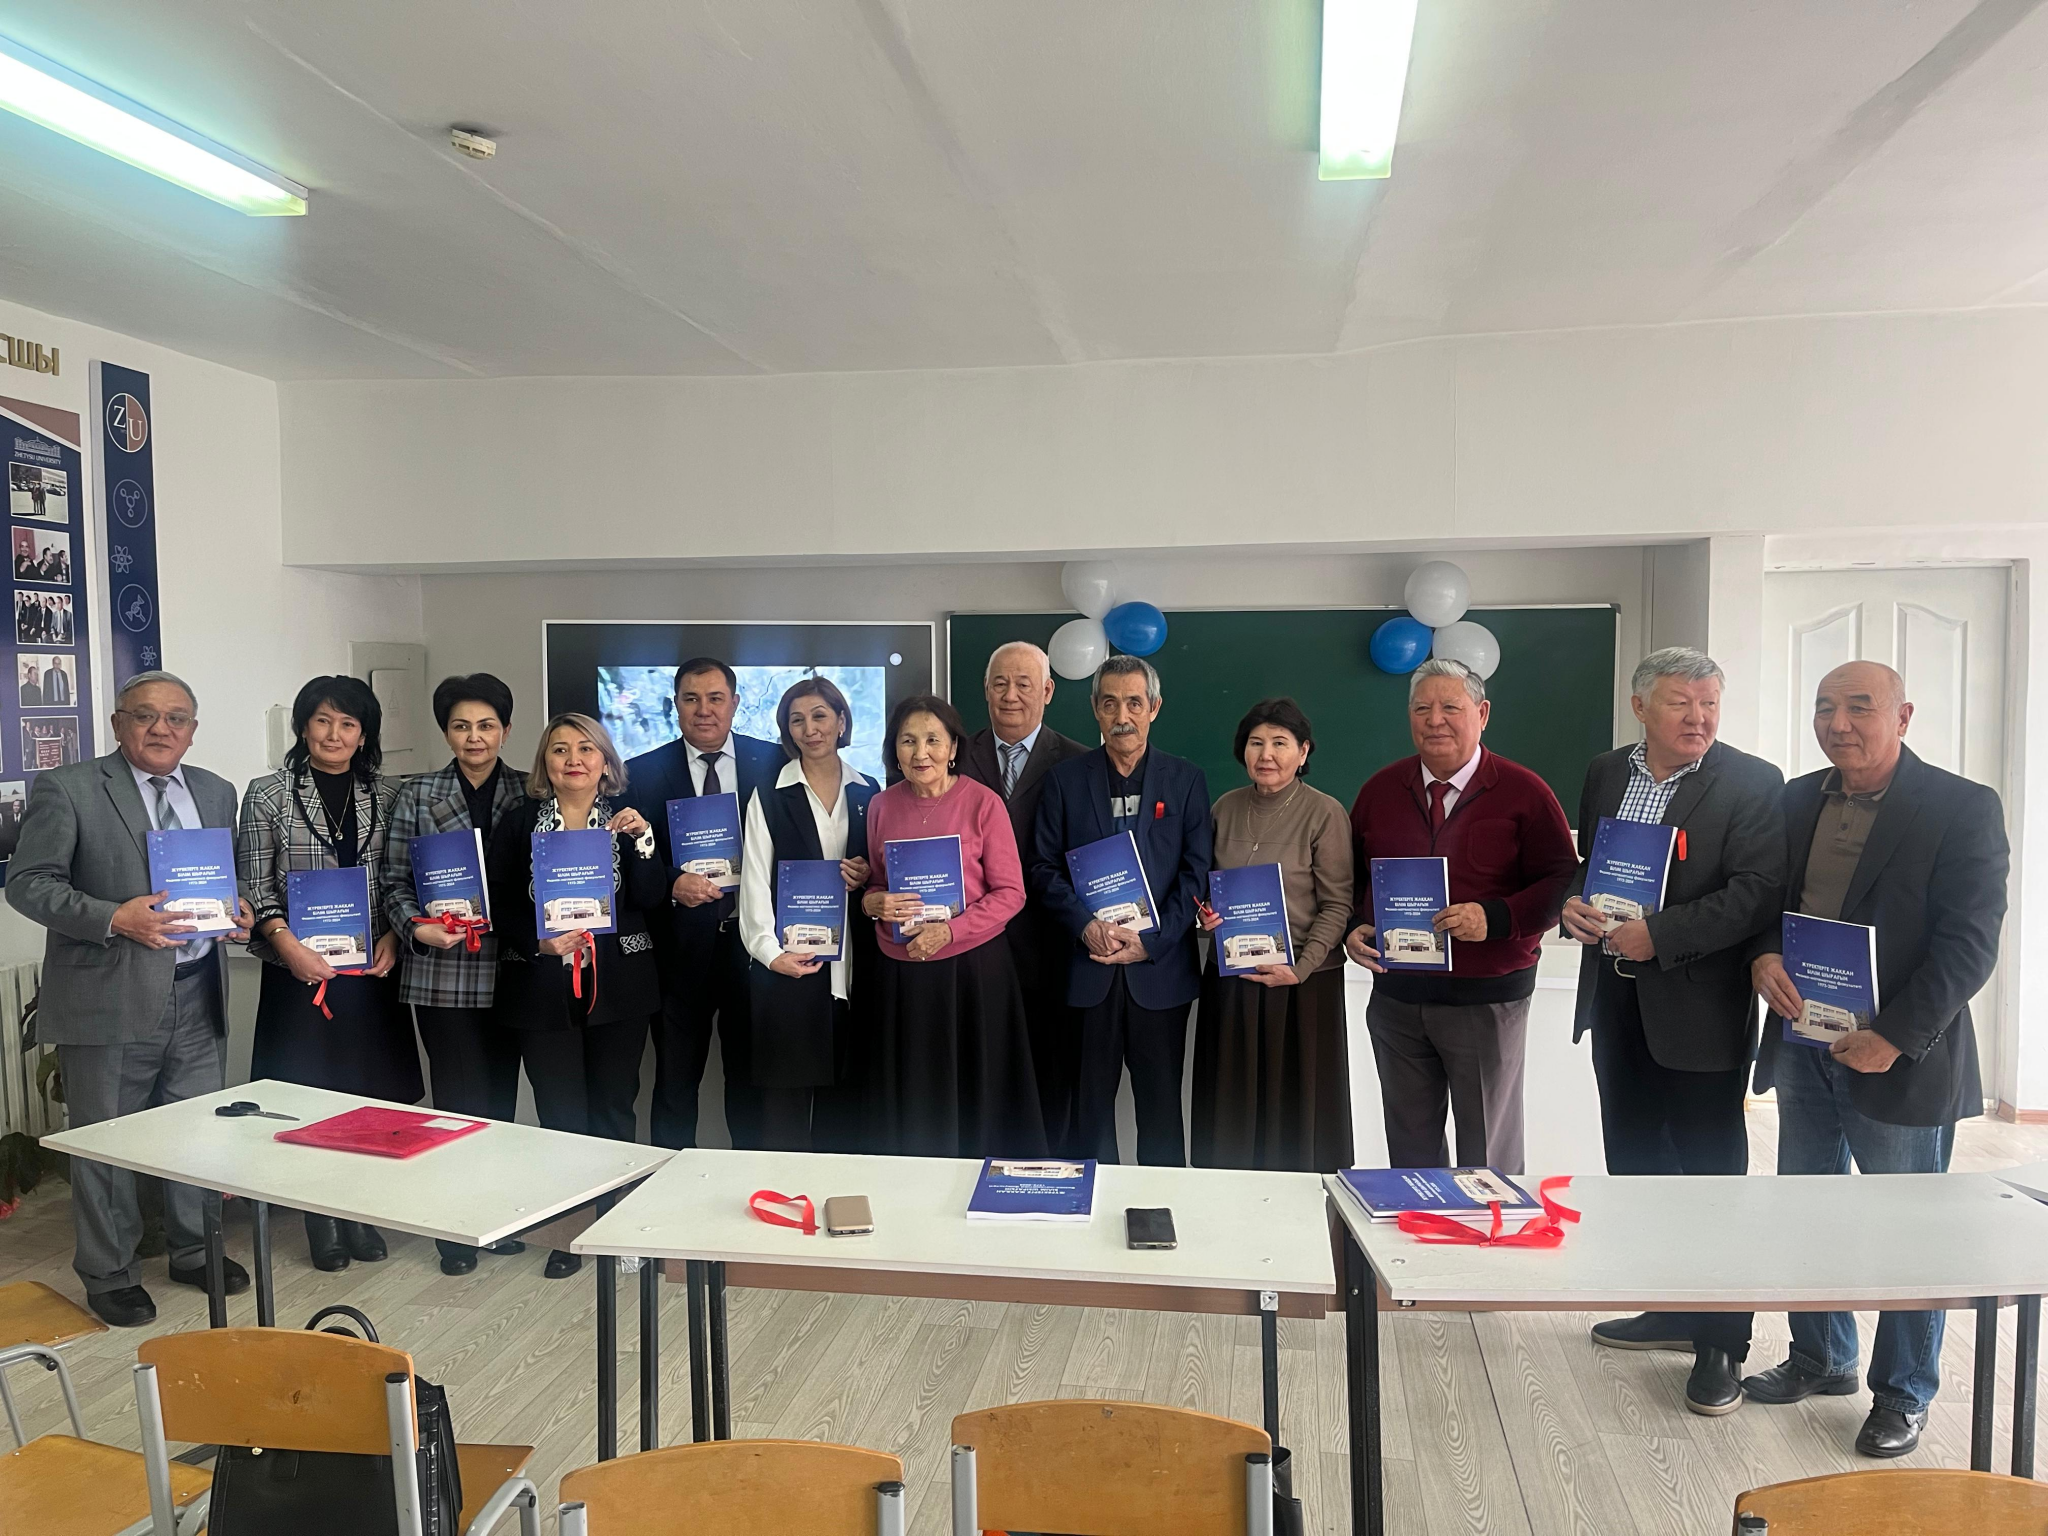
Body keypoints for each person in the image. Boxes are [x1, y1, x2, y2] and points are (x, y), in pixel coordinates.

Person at [1732, 661, 2008, 1457]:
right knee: (1809, 1207)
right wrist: (1761, 956)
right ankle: (1822, 1357)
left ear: (1904, 716)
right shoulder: (1795, 799)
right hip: (1804, 1039)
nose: (1839, 723)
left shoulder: (1961, 807)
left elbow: (1969, 944)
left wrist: (1895, 1036)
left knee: (1907, 1230)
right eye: (1825, 707)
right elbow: (1769, 902)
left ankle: (1904, 1393)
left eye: (1860, 707)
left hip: (1900, 1056)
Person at [1560, 648, 1785, 1413]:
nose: (1699, 718)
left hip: (1699, 1011)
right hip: (1615, 1004)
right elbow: (1588, 863)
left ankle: (1722, 1343)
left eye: (1710, 703)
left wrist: (1662, 935)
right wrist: (1573, 903)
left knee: (1711, 1181)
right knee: (1637, 1166)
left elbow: (1758, 892)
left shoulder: (1752, 781)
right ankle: (1669, 1306)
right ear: (1640, 708)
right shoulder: (1605, 772)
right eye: (1681, 703)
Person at [6, 671, 250, 1327]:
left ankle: (194, 1251)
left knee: (198, 1135)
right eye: (144, 716)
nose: (161, 729)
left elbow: (220, 880)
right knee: (108, 1142)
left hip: (198, 994)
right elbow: (28, 884)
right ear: (119, 724)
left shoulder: (215, 791)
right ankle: (109, 1273)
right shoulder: (70, 788)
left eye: (176, 718)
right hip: (108, 997)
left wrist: (236, 912)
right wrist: (115, 917)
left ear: (192, 730)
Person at [1344, 658, 1577, 1174]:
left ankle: (1491, 1230)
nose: (1435, 720)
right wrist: (1352, 927)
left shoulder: (1525, 791)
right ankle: (1420, 1228)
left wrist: (1495, 918)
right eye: (1421, 709)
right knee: (1410, 1152)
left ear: (1482, 713)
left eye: (1450, 707)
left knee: (1488, 1155)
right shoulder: (1379, 791)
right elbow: (1351, 877)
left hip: (1485, 1000)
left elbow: (1562, 880)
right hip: (1397, 1000)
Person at [239, 675, 415, 1272]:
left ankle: (361, 1208)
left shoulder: (389, 794)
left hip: (370, 972)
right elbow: (255, 883)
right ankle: (321, 1217)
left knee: (368, 1093)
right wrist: (285, 944)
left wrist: (394, 935)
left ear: (364, 734)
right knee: (308, 1093)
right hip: (298, 973)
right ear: (302, 726)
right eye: (322, 720)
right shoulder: (267, 794)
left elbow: (400, 878)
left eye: (348, 723)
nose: (334, 734)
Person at [489, 713, 665, 1278]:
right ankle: (570, 1232)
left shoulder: (628, 818)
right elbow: (498, 901)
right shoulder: (520, 822)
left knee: (614, 1106)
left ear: (606, 761)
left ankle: (615, 1229)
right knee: (561, 1113)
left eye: (586, 749)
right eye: (560, 749)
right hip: (541, 985)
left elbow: (652, 897)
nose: (573, 759)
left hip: (620, 984)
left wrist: (641, 841)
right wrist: (535, 940)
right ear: (545, 762)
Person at [1032, 656, 1212, 1166]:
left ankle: (1163, 1206)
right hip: (1088, 972)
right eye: (1110, 703)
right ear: (1095, 708)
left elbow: (1195, 873)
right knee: (1087, 1116)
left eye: (1134, 703)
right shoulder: (1065, 781)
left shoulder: (1186, 780)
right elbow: (1042, 868)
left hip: (1159, 974)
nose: (1122, 716)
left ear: (1154, 707)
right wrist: (1085, 926)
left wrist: (1151, 941)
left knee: (1162, 1114)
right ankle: (1092, 1209)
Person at [384, 674, 531, 1276]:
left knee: (500, 1100)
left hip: (514, 967)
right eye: (461, 726)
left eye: (487, 725)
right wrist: (415, 928)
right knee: (456, 1100)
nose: (475, 737)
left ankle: (492, 1219)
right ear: (446, 732)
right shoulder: (417, 793)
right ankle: (454, 1229)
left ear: (506, 730)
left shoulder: (530, 789)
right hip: (443, 971)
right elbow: (392, 881)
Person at [862, 694, 1044, 1157]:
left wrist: (950, 931)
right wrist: (872, 902)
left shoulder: (983, 803)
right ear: (894, 749)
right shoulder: (880, 806)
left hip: (972, 972)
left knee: (974, 1094)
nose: (920, 753)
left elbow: (1011, 893)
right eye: (908, 741)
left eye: (932, 740)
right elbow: (878, 884)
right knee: (914, 1098)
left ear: (953, 747)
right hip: (902, 974)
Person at [625, 658, 784, 1150]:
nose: (704, 710)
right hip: (678, 949)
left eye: (716, 698)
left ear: (735, 703)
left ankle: (751, 1179)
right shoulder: (640, 772)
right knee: (675, 1081)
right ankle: (667, 1184)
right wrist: (673, 882)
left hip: (753, 947)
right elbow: (628, 859)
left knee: (751, 1081)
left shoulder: (775, 761)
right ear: (674, 705)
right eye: (691, 699)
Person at [1191, 698, 1355, 1172]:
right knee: (1231, 1112)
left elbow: (1337, 904)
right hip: (1232, 980)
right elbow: (1205, 889)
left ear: (1303, 752)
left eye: (1280, 743)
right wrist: (1204, 916)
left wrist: (1300, 969)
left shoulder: (1325, 813)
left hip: (1302, 985)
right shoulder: (1223, 808)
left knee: (1295, 1116)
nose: (1266, 754)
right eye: (1256, 743)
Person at [737, 678, 881, 1151]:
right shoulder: (769, 793)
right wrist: (769, 953)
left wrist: (867, 874)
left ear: (841, 721)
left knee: (848, 1114)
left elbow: (884, 873)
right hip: (790, 968)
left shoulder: (870, 791)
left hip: (857, 969)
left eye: (820, 716)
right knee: (785, 1114)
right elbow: (755, 879)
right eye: (796, 720)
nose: (809, 729)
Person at [957, 641, 1089, 1152]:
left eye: (1024, 684)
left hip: (1052, 951)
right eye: (1000, 684)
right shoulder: (953, 756)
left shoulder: (1079, 762)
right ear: (985, 690)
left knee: (1049, 1081)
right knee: (978, 1074)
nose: (1010, 695)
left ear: (1048, 691)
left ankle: (1046, 1177)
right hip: (971, 948)